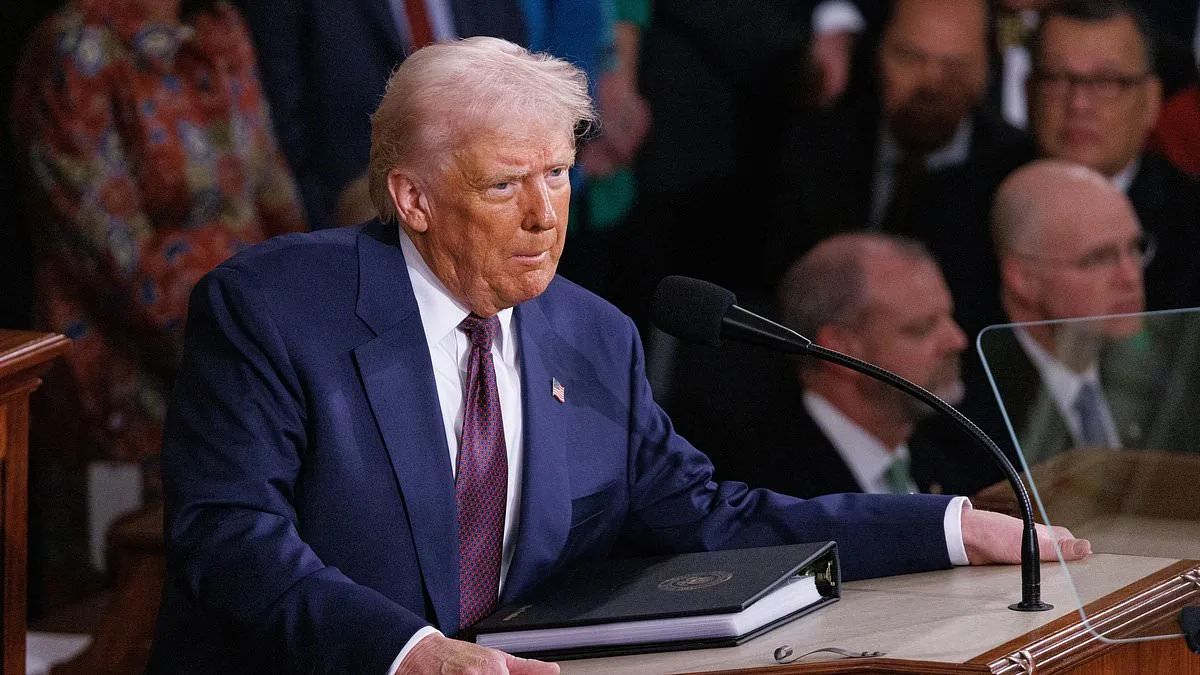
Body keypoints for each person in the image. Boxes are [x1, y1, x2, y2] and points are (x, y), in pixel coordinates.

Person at [148, 38, 1088, 674]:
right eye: (505, 184)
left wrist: (947, 529)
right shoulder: (275, 310)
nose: (543, 215)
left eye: (558, 173)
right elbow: (230, 536)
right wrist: (410, 653)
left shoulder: (594, 336)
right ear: (413, 198)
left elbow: (712, 520)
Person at [1024, 0, 1200, 312]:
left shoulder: (1192, 221)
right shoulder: (958, 207)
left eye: (1106, 82)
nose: (1079, 104)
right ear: (1028, 92)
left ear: (1151, 101)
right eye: (1057, 79)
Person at [987, 159, 1149, 462]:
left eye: (1135, 249)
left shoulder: (1162, 383)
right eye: (1099, 258)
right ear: (1024, 279)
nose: (1130, 277)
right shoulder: (975, 414)